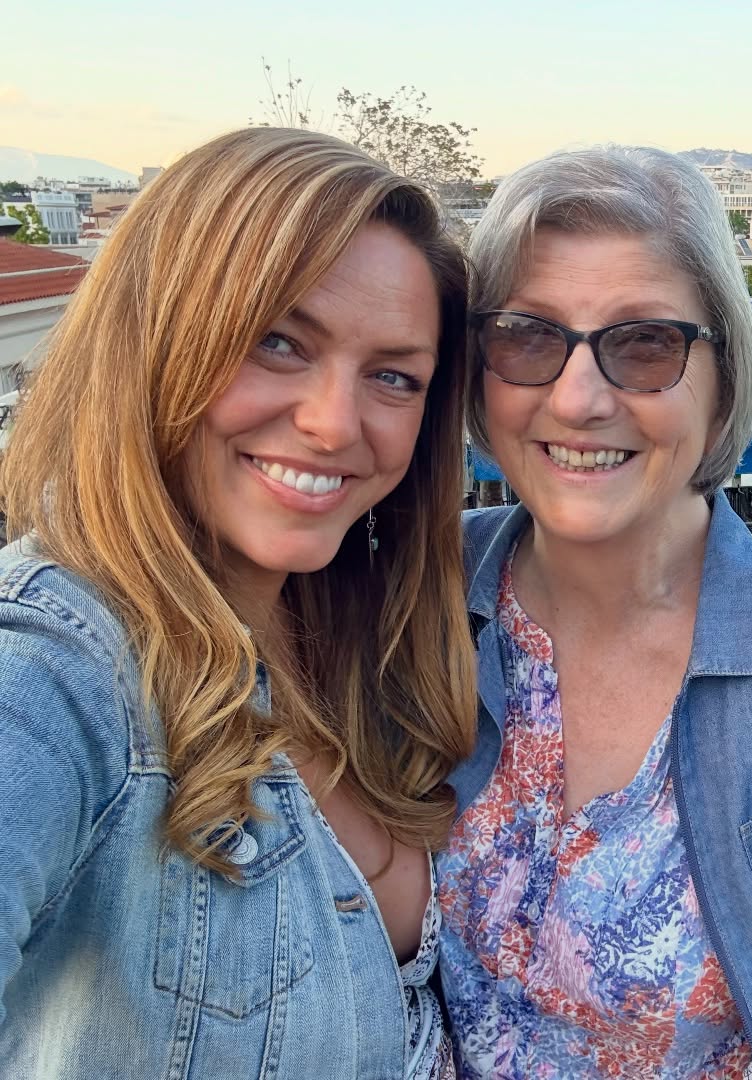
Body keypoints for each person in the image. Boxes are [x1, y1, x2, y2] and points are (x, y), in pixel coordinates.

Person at [439, 146, 752, 1079]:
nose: (579, 399)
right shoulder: (414, 598)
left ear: (725, 381)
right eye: (529, 336)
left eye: (645, 345)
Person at [0, 128, 477, 1078]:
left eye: (393, 375)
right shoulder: (57, 667)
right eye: (277, 343)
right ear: (155, 341)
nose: (335, 422)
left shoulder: (362, 641)